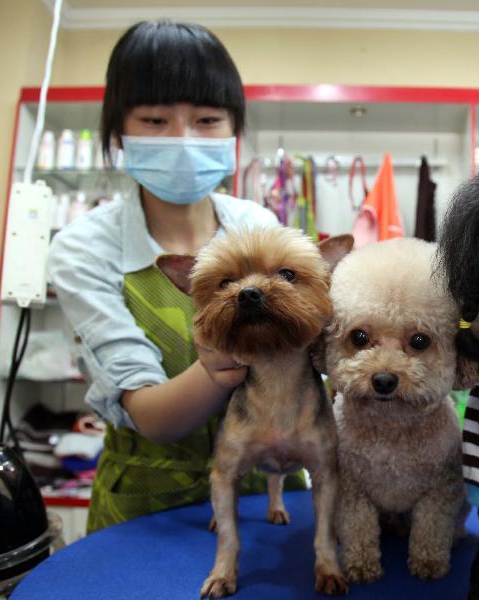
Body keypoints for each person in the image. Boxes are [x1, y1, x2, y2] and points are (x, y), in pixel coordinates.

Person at [48, 20, 306, 533]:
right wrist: (222, 355)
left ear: (234, 128)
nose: (184, 141)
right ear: (118, 129)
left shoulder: (258, 225)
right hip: (150, 511)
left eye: (207, 119)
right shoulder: (84, 249)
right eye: (155, 120)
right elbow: (152, 417)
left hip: (267, 498)